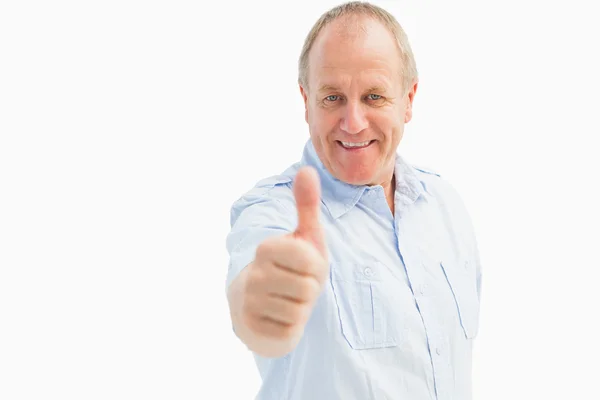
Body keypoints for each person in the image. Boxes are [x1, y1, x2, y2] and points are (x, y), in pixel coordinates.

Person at [225, 2, 482, 399]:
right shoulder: (276, 212)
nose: (354, 122)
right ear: (306, 100)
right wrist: (263, 305)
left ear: (409, 99)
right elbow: (254, 298)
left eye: (374, 96)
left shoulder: (445, 205)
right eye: (332, 98)